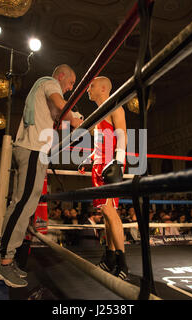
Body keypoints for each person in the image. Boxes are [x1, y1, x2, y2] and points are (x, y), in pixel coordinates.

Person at [0, 64, 83, 288]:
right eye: (70, 83)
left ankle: (7, 258)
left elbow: (58, 118)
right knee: (22, 204)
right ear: (61, 76)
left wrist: (73, 119)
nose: (70, 88)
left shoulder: (44, 93)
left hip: (36, 150)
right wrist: (78, 121)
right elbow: (62, 107)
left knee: (26, 205)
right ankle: (3, 261)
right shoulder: (50, 84)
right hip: (32, 149)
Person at [79, 76, 129, 280]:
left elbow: (122, 135)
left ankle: (122, 261)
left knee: (110, 211)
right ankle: (109, 257)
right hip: (99, 165)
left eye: (91, 86)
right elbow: (101, 143)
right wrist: (89, 158)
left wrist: (117, 163)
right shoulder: (98, 114)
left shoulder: (115, 107)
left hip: (110, 165)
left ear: (102, 88)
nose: (88, 89)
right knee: (106, 213)